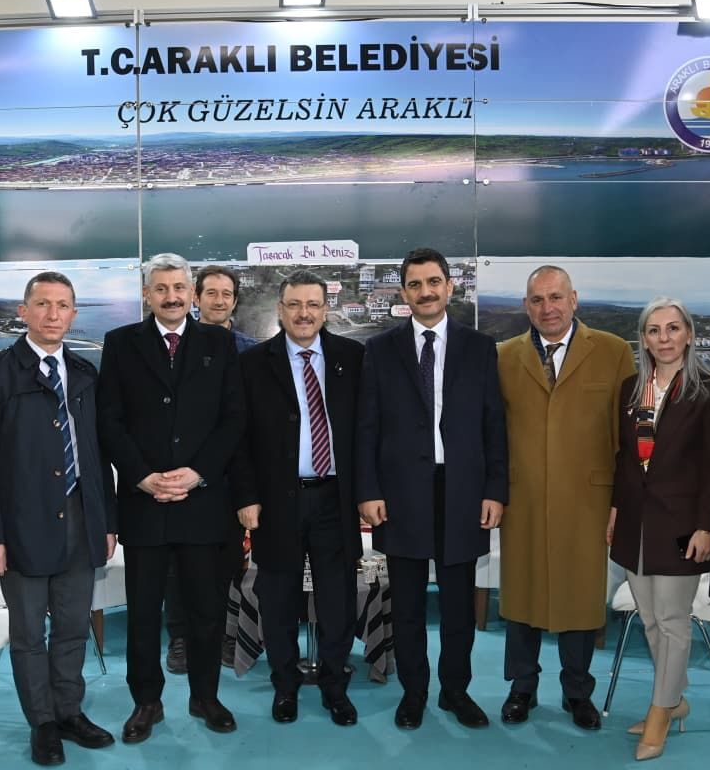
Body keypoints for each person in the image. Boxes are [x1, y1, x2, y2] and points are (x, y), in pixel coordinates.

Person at [0, 272, 118, 767]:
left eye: (63, 305)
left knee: (73, 627)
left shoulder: (86, 374)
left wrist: (107, 521)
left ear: (74, 314)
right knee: (29, 634)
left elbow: (97, 455)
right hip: (20, 528)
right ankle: (43, 723)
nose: (53, 314)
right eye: (43, 304)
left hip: (81, 520)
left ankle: (69, 711)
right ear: (23, 311)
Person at [355, 246, 508, 730]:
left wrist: (495, 490)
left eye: (433, 282)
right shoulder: (379, 350)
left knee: (460, 606)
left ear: (449, 286)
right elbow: (366, 427)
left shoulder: (480, 348)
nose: (425, 291)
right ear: (404, 293)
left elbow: (494, 424)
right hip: (400, 495)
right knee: (407, 606)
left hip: (463, 493)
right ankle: (414, 692)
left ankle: (455, 692)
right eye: (415, 284)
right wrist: (368, 490)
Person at [98, 253, 245, 742]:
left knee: (206, 610)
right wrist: (141, 476)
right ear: (147, 294)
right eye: (161, 288)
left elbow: (233, 418)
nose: (171, 296)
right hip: (145, 503)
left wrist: (198, 473)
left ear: (191, 293)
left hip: (203, 501)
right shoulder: (120, 343)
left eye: (179, 288)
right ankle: (147, 702)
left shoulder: (219, 343)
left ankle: (206, 697)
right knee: (143, 613)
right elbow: (109, 419)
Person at [497, 264, 634, 731]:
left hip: (588, 500)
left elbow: (627, 436)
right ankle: (522, 688)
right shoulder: (503, 356)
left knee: (581, 597)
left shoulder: (613, 351)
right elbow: (492, 433)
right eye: (537, 300)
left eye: (556, 297)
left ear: (574, 300)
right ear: (526, 306)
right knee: (522, 595)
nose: (548, 308)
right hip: (523, 499)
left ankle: (578, 692)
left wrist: (620, 501)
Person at [231, 269, 364, 726]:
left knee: (337, 602)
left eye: (312, 304)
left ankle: (334, 687)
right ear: (280, 310)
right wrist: (246, 496)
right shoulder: (252, 364)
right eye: (294, 305)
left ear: (326, 310)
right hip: (276, 503)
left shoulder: (353, 358)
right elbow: (239, 439)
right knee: (278, 600)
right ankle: (284, 687)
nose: (303, 313)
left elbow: (368, 431)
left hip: (336, 500)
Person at [605, 297, 710, 761]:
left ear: (689, 334)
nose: (664, 338)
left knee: (673, 621)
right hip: (635, 522)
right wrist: (616, 508)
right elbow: (625, 460)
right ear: (644, 339)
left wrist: (707, 526)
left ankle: (659, 712)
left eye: (673, 328)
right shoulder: (632, 389)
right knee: (651, 618)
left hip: (682, 524)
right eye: (654, 330)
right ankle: (673, 699)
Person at [163, 263, 258, 675]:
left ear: (235, 302)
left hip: (232, 476)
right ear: (196, 298)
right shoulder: (173, 347)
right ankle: (181, 636)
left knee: (227, 561)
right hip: (182, 475)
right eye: (211, 293)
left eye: (227, 294)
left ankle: (223, 632)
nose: (219, 301)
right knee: (177, 563)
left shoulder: (252, 352)